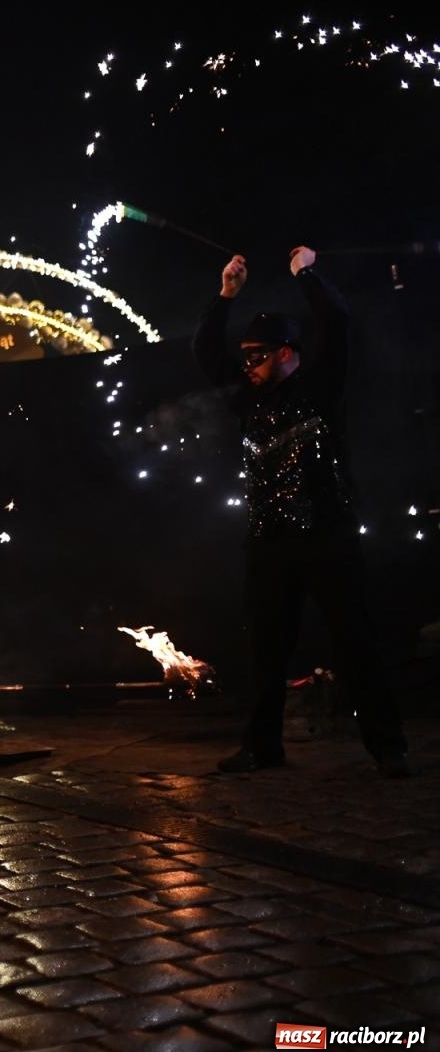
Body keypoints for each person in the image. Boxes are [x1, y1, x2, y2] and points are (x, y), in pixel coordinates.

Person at [193, 246, 410, 778]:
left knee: (355, 640)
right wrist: (226, 294)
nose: (248, 365)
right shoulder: (248, 401)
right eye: (245, 355)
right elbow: (206, 352)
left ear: (288, 353)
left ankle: (388, 748)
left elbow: (337, 322)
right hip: (268, 540)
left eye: (258, 355)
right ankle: (263, 747)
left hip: (327, 534)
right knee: (266, 650)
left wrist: (306, 274)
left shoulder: (320, 388)